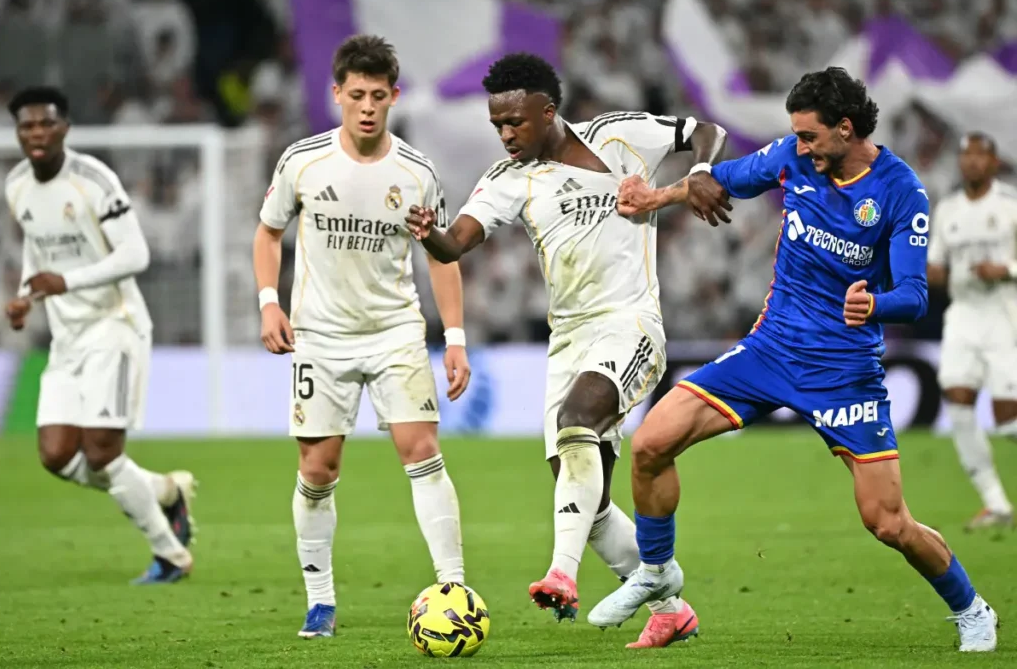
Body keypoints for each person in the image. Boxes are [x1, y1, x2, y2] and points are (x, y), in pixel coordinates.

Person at [587, 67, 998, 653]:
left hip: (843, 372)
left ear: (845, 128)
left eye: (809, 135)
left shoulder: (900, 191)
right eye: (797, 136)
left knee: (887, 522)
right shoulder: (795, 158)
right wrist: (660, 195)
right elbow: (721, 179)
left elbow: (915, 295)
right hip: (770, 350)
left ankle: (971, 609)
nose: (799, 147)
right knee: (652, 443)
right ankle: (656, 574)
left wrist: (875, 304)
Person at [405, 52, 730, 648]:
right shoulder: (508, 180)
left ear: (547, 111)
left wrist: (703, 169)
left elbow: (707, 130)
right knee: (587, 496)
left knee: (576, 419)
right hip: (569, 340)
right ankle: (670, 606)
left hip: (631, 323)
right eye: (497, 125)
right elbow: (455, 244)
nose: (505, 135)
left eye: (514, 122)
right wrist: (430, 233)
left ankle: (562, 572)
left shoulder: (620, 135)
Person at [252, 35, 471, 639]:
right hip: (320, 337)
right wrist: (269, 304)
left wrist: (455, 337)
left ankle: (453, 587)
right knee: (318, 468)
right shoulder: (303, 161)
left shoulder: (417, 173)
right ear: (337, 94)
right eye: (357, 95)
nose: (367, 107)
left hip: (395, 331)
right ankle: (320, 600)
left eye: (378, 95)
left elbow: (442, 255)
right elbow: (268, 233)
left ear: (394, 96)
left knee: (421, 450)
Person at [2, 86, 196, 585]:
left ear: (65, 128)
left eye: (46, 123)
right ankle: (164, 490)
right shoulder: (17, 185)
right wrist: (26, 296)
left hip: (115, 325)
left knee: (102, 452)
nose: (37, 133)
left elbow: (136, 254)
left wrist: (65, 282)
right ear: (18, 132)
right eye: (27, 126)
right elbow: (37, 248)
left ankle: (170, 555)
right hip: (66, 337)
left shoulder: (94, 181)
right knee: (56, 455)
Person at [927, 132, 1017, 530]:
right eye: (966, 155)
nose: (972, 161)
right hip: (963, 314)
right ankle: (996, 504)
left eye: (981, 155)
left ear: (994, 163)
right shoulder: (947, 209)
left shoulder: (1010, 204)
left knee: (1008, 420)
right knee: (958, 403)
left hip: (1005, 315)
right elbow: (936, 264)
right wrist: (932, 273)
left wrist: (1006, 270)